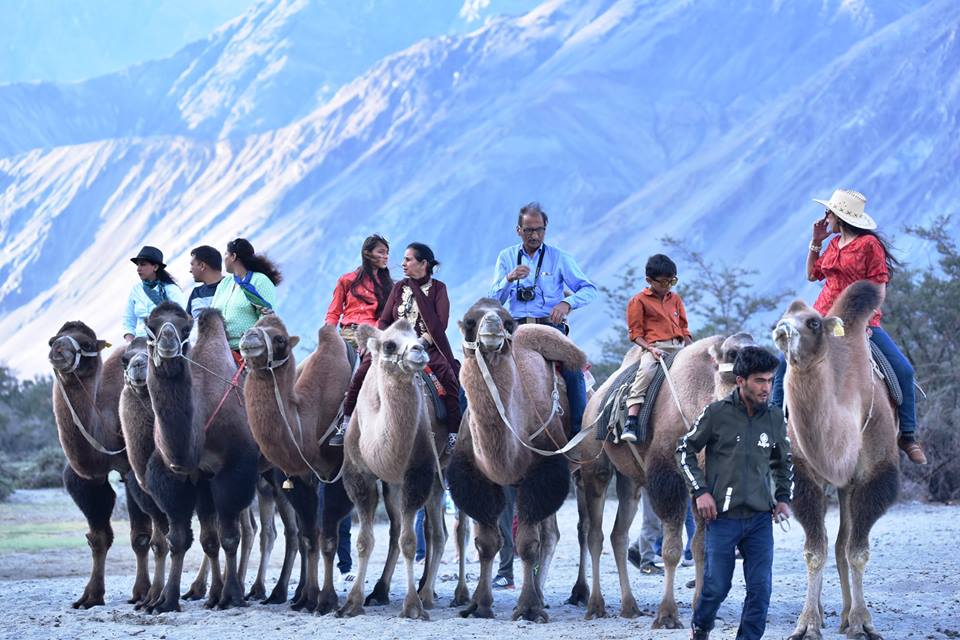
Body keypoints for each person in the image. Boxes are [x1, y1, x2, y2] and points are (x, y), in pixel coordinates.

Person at [770, 189, 926, 464]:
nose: (825, 216)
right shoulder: (833, 244)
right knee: (787, 361)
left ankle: (908, 436)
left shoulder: (869, 245)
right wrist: (815, 241)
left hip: (857, 318)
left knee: (903, 370)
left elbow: (878, 287)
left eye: (829, 212)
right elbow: (812, 274)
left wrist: (864, 321)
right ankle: (775, 422)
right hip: (820, 318)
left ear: (840, 216)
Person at [676, 346, 793, 640]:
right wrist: (700, 491)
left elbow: (783, 462)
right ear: (740, 380)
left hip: (759, 519)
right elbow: (684, 450)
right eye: (759, 381)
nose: (767, 387)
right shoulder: (716, 414)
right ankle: (701, 625)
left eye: (770, 380)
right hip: (722, 518)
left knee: (760, 589)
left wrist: (782, 498)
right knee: (717, 586)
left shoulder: (775, 418)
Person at [337, 243, 461, 450]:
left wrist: (423, 342)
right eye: (404, 259)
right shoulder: (399, 288)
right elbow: (385, 320)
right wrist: (385, 339)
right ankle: (346, 423)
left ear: (423, 263)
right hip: (395, 347)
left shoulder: (439, 289)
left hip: (425, 347)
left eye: (408, 260)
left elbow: (441, 323)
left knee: (448, 376)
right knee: (361, 372)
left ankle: (453, 434)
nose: (402, 264)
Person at [488, 201, 598, 435]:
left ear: (545, 229)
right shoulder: (506, 257)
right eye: (528, 230)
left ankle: (580, 434)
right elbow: (493, 300)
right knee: (483, 369)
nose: (534, 235)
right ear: (519, 230)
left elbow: (589, 289)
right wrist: (508, 279)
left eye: (539, 229)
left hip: (549, 329)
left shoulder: (560, 258)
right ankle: (479, 432)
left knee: (573, 365)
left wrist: (567, 303)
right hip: (516, 330)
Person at [621, 254, 694, 442]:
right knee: (645, 372)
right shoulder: (638, 301)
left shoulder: (675, 299)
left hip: (678, 346)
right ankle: (632, 419)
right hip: (655, 347)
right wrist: (651, 349)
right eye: (663, 282)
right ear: (649, 280)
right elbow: (635, 334)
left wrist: (691, 348)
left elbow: (684, 327)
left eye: (673, 281)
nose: (668, 286)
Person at [210, 238, 281, 366]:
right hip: (223, 351)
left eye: (226, 254)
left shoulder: (260, 281)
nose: (224, 259)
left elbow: (267, 317)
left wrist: (251, 344)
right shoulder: (225, 283)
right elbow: (213, 313)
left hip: (250, 351)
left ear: (233, 256)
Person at [325, 234, 393, 349]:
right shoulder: (346, 280)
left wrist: (372, 336)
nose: (386, 256)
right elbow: (334, 313)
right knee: (316, 362)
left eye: (387, 253)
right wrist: (328, 336)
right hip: (347, 335)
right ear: (367, 254)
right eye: (381, 252)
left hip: (373, 336)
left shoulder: (388, 287)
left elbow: (385, 318)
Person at [122, 245, 186, 342]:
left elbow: (183, 318)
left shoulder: (171, 290)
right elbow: (128, 319)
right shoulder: (136, 290)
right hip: (139, 343)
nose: (138, 269)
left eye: (143, 264)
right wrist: (130, 341)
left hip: (165, 342)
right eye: (138, 265)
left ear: (155, 267)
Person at [186, 245, 224, 321]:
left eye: (192, 265)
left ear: (202, 266)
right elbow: (186, 325)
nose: (190, 270)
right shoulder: (195, 293)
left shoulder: (232, 286)